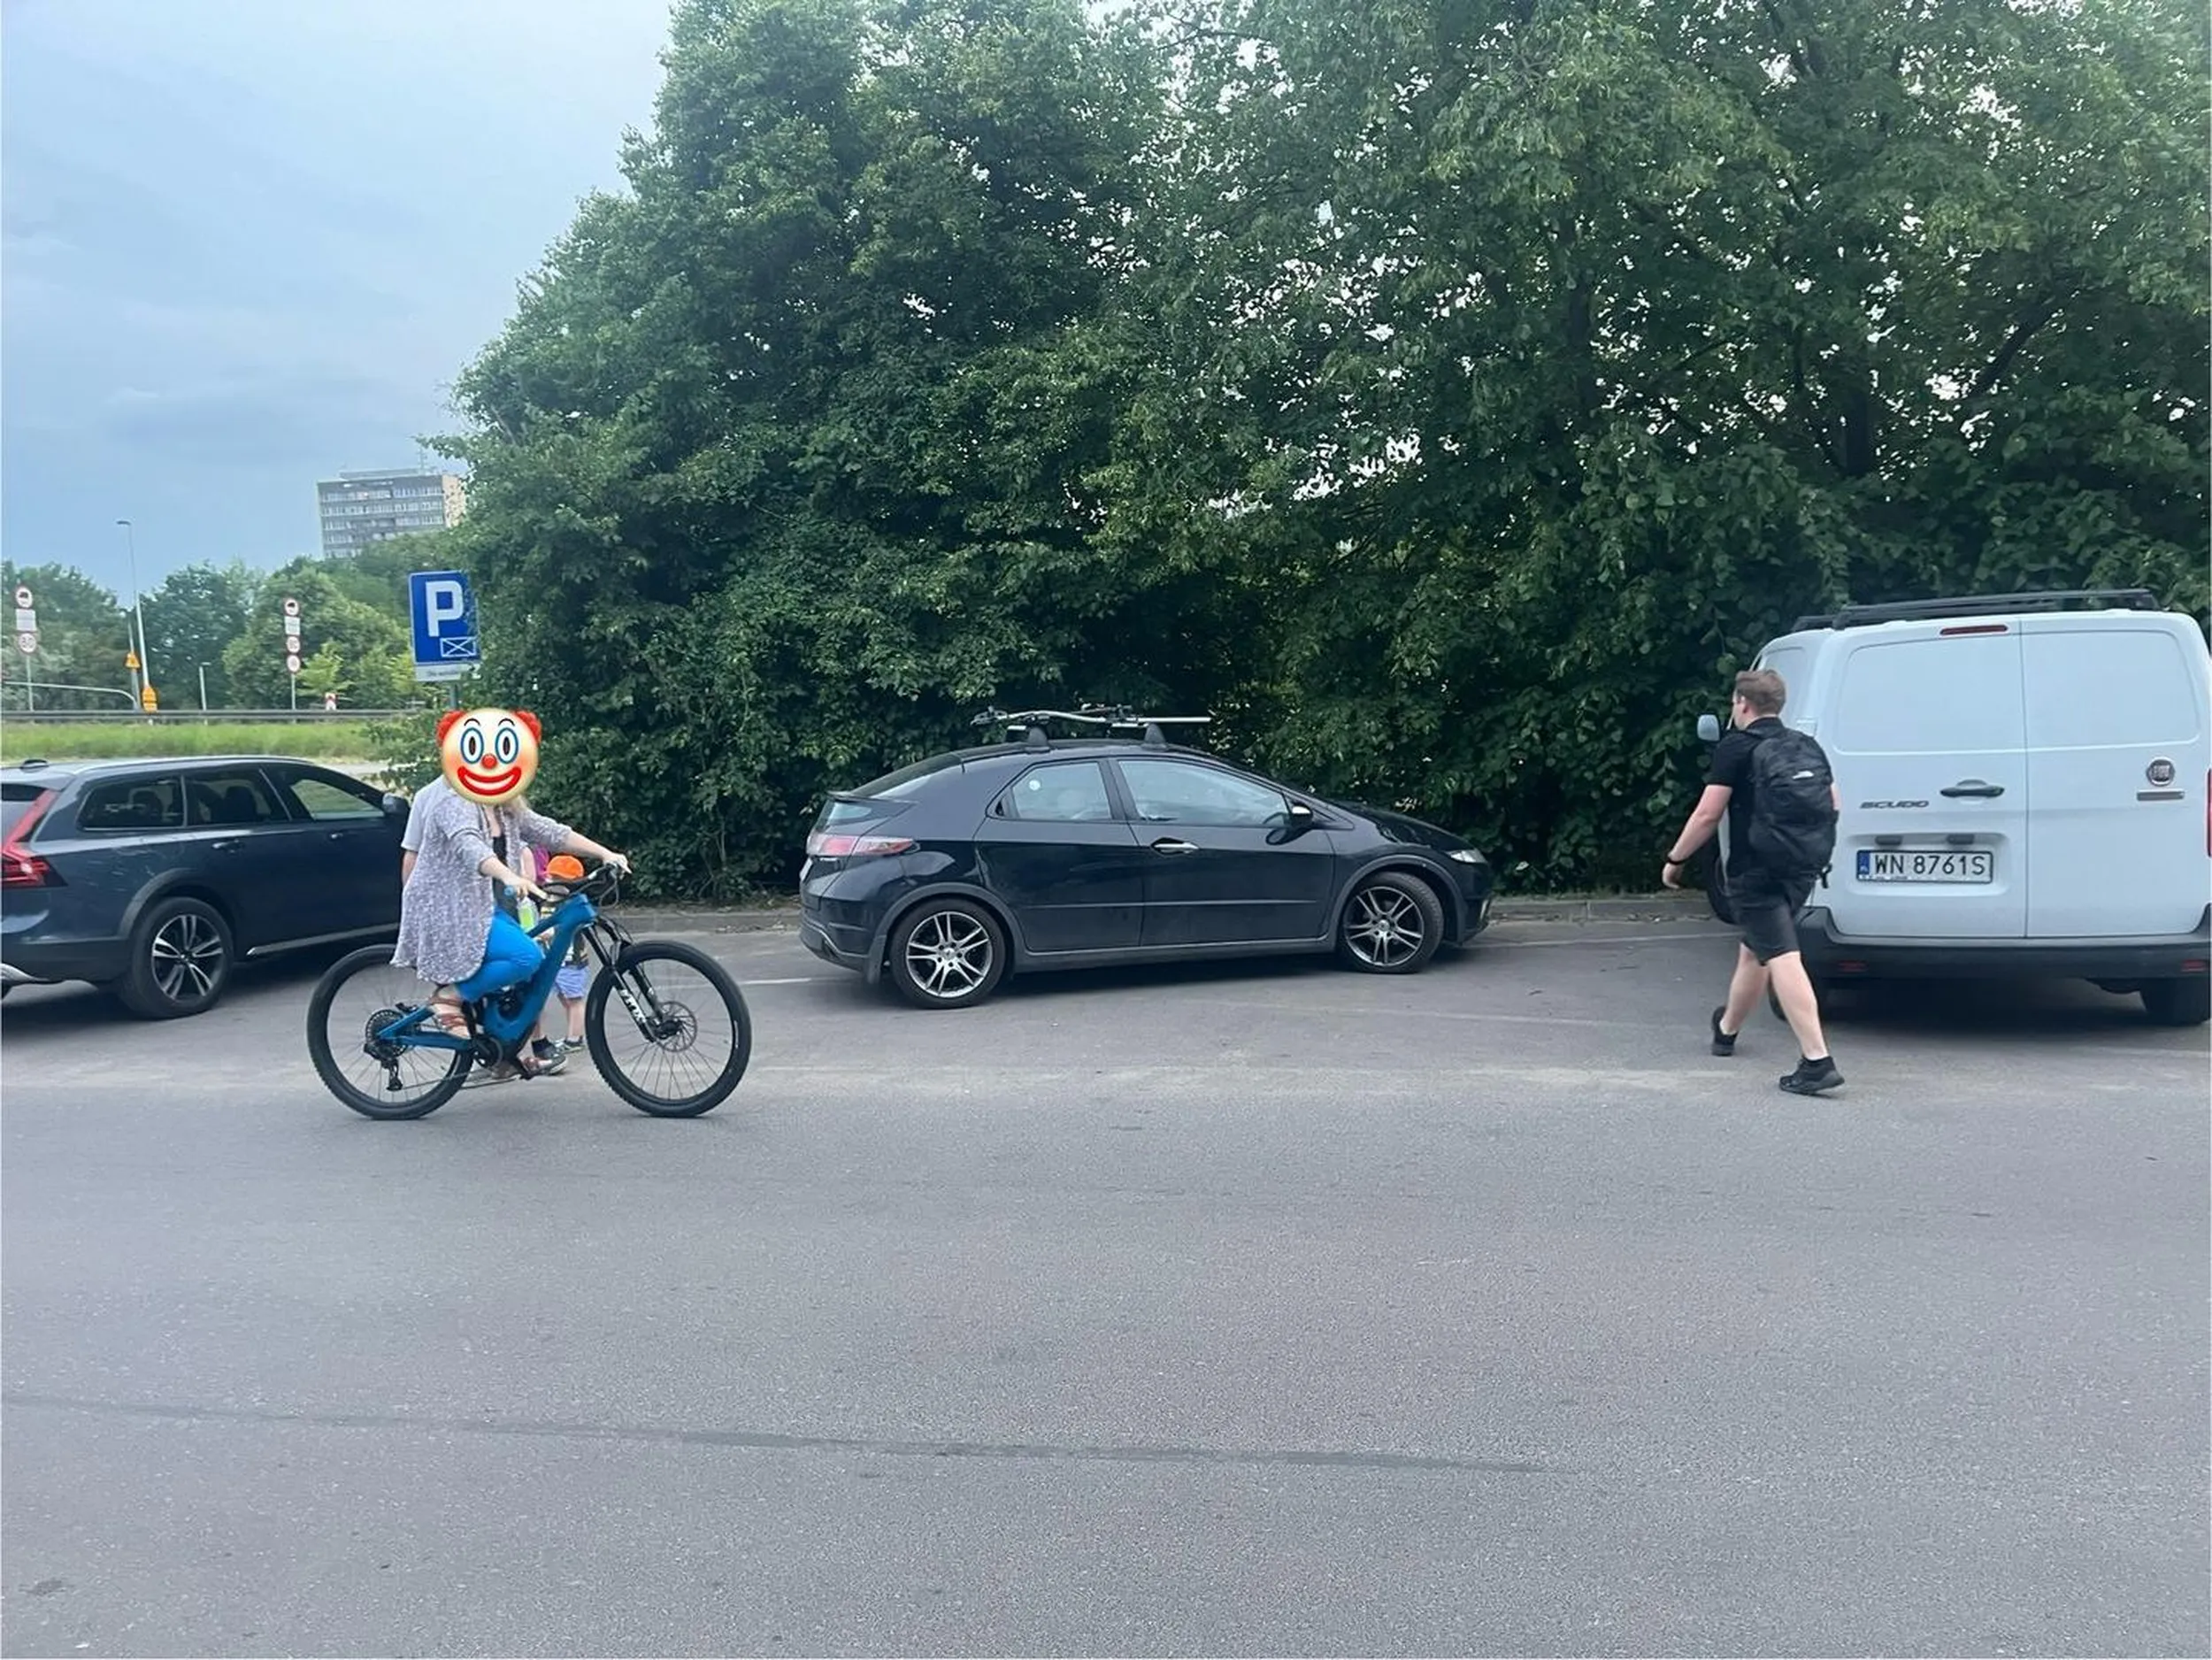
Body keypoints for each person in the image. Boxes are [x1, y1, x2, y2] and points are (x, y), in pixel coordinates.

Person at [393, 707, 629, 1082]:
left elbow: (550, 832)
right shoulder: (450, 799)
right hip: (450, 907)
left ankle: (502, 1049)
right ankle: (449, 997)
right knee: (525, 956)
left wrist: (604, 852)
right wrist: (509, 875)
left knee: (518, 968)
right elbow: (470, 847)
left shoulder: (505, 803)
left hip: (485, 904)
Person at [1661, 668, 1844, 1096]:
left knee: (1781, 955)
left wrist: (1676, 859)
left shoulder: (1736, 748)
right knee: (1756, 952)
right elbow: (1833, 803)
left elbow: (1707, 815)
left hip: (1753, 870)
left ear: (1742, 703)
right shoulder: (1805, 745)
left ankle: (1817, 1060)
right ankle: (1726, 1030)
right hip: (1801, 867)